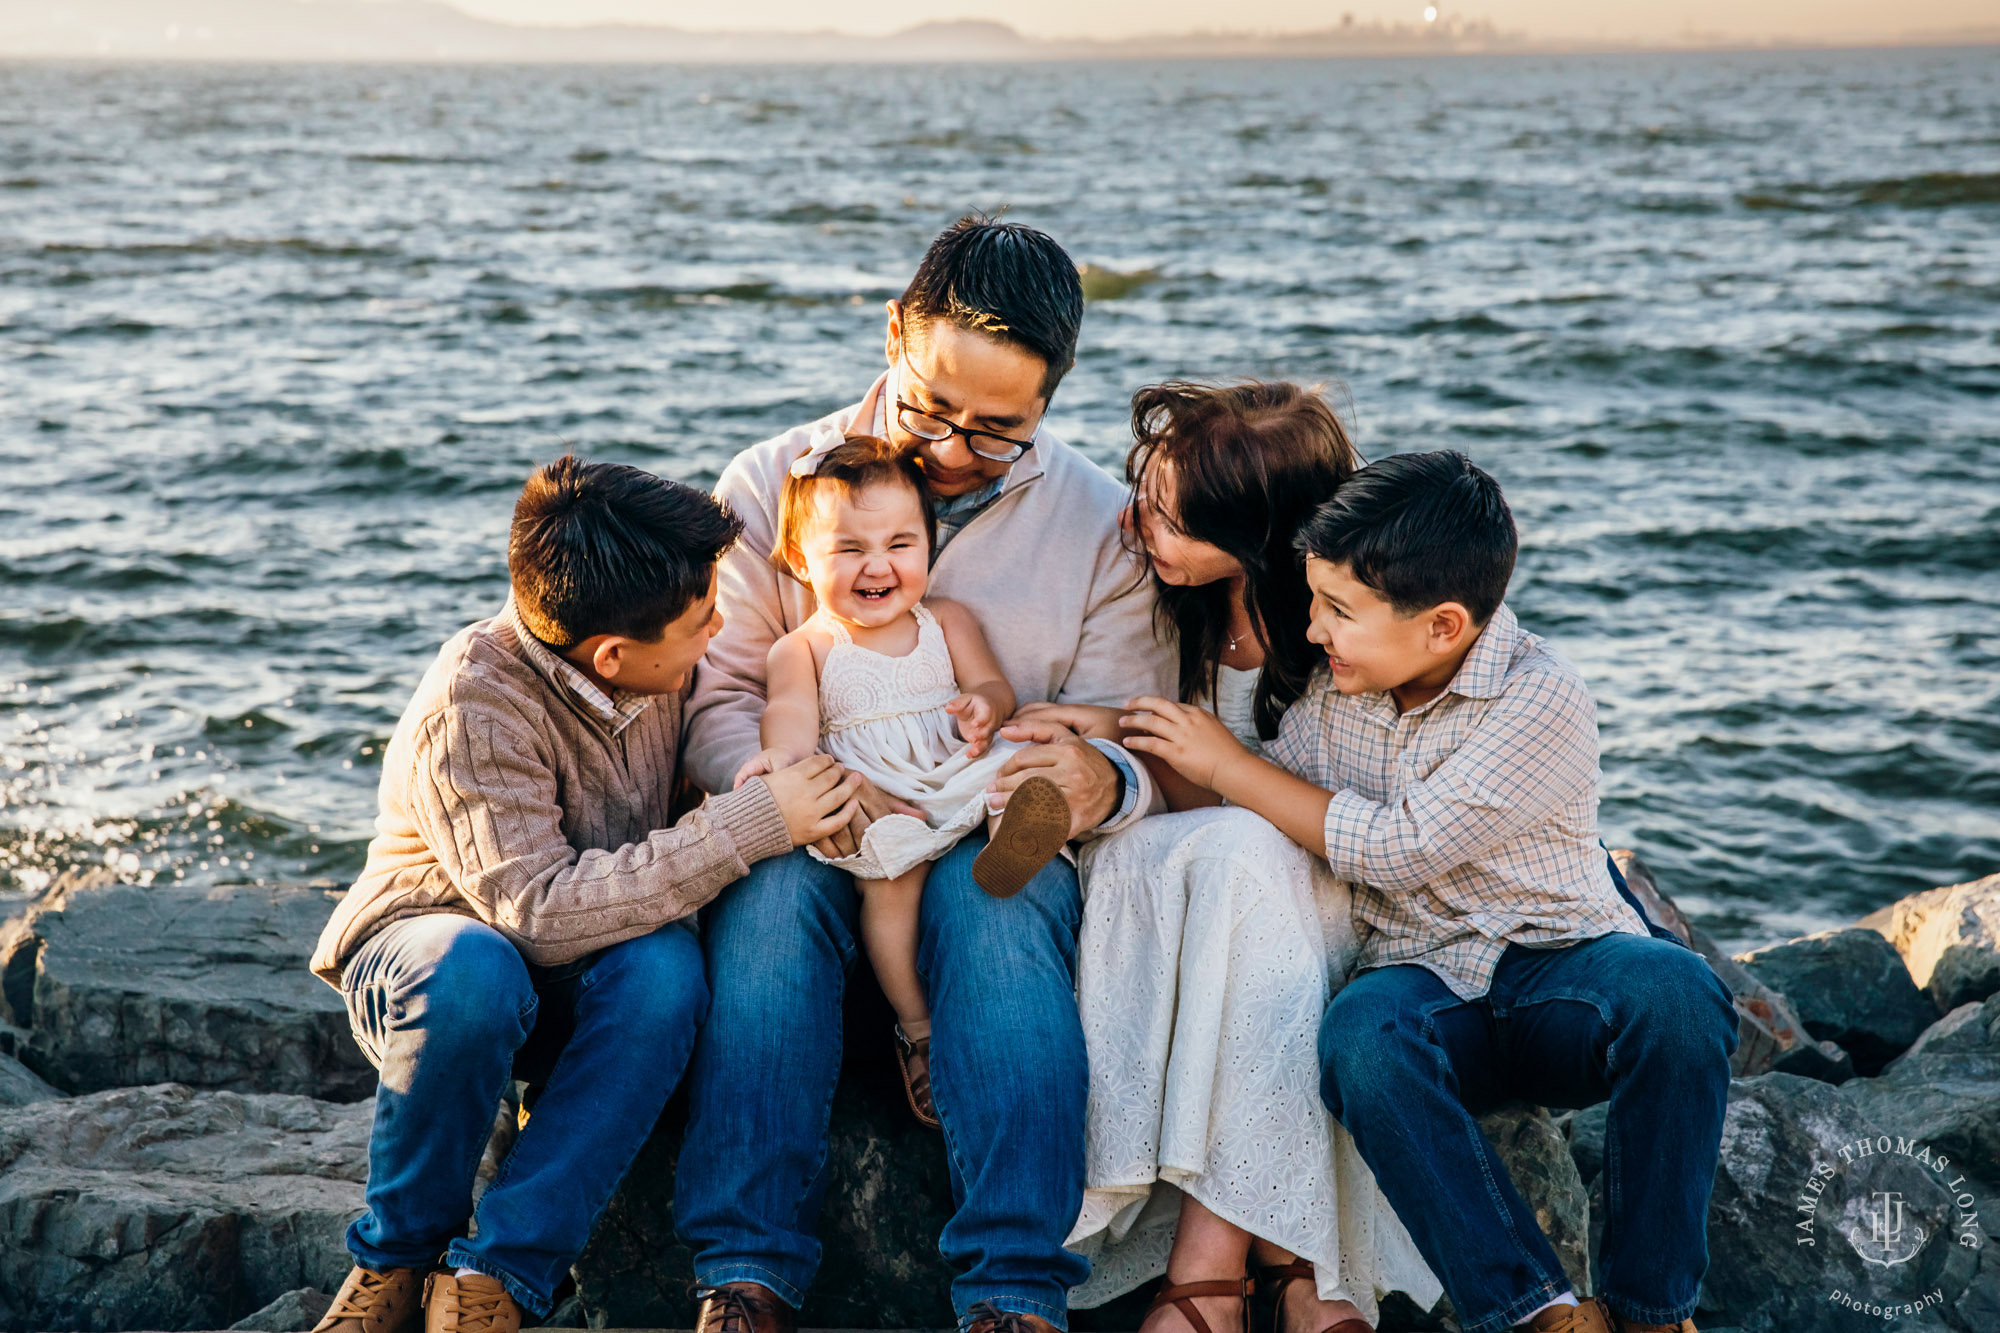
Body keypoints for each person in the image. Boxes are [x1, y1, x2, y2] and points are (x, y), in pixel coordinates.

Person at [676, 215, 1175, 1333]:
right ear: (895, 331)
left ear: (1052, 400)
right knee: (767, 897)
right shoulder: (765, 486)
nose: (951, 449)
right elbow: (712, 704)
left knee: (997, 901)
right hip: (817, 810)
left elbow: (1129, 727)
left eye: (997, 431)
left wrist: (1094, 776)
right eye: (930, 407)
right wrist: (802, 791)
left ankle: (1011, 1291)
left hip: (982, 824)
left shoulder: (1102, 524)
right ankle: (743, 1273)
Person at [1116, 451, 1737, 1333]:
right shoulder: (1335, 700)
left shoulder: (1540, 694)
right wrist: (1116, 739)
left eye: (1338, 611)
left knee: (1678, 992)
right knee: (1361, 1038)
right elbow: (1255, 804)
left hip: (1559, 966)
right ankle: (1536, 1313)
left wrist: (1231, 762)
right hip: (1422, 980)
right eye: (1314, 602)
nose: (1316, 630)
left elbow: (1399, 846)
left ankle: (1648, 1311)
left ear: (1444, 625)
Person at [306, 458, 861, 1333]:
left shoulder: (657, 669)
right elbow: (538, 909)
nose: (718, 631)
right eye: (701, 622)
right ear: (612, 655)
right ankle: (396, 1258)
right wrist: (752, 823)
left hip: (591, 964)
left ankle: (496, 1275)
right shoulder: (475, 702)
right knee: (476, 970)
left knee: (665, 970)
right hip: (436, 949)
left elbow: (723, 739)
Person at [1021, 383, 1438, 1333]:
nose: (1139, 526)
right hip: (1208, 872)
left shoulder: (1335, 631)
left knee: (1251, 862)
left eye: (1171, 518)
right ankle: (1295, 1263)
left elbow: (1343, 814)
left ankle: (1208, 1270)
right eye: (1148, 496)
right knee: (1211, 860)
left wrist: (1219, 764)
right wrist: (1102, 726)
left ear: (1256, 534)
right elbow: (1191, 758)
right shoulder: (1194, 603)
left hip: (1321, 877)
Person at [734, 434, 1072, 1127]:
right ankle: (917, 1029)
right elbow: (790, 719)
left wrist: (987, 706)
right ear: (801, 559)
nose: (877, 566)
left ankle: (1014, 839)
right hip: (878, 793)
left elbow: (989, 683)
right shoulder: (803, 647)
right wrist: (790, 765)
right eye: (848, 549)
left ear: (928, 544)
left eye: (899, 543)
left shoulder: (945, 619)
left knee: (1013, 770)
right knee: (891, 884)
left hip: (953, 765)